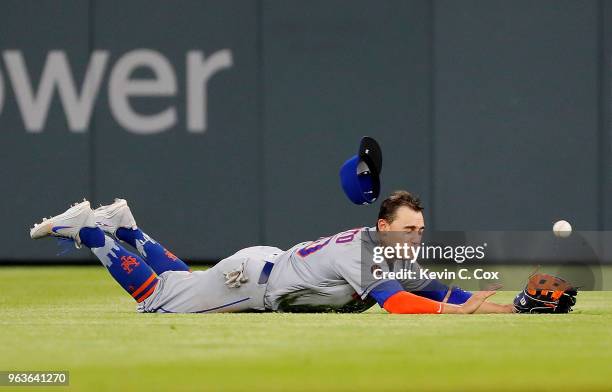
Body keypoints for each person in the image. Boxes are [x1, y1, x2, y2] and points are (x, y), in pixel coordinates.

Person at [30, 191, 513, 314]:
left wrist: (516, 308)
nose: (416, 238)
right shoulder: (365, 254)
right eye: (408, 229)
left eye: (421, 230)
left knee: (183, 283)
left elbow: (444, 289)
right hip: (252, 283)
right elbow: (401, 305)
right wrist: (458, 312)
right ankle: (89, 231)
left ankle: (127, 226)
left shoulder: (388, 251)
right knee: (157, 299)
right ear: (383, 226)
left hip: (264, 265)